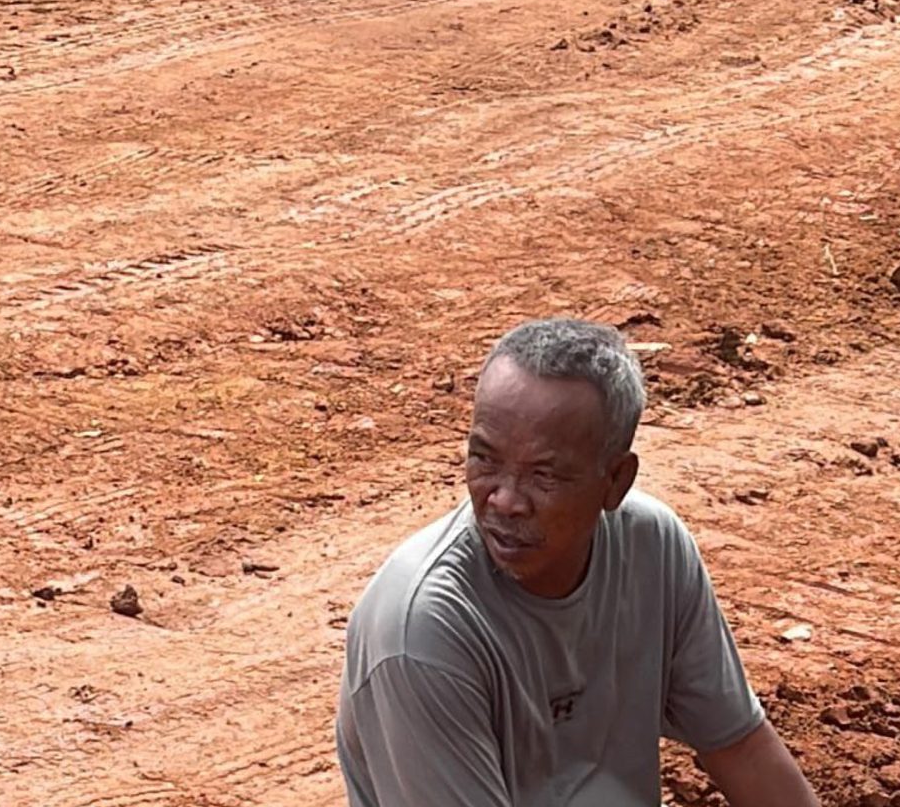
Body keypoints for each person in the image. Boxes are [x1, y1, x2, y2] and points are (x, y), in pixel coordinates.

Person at [338, 316, 823, 807]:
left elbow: (741, 748)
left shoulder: (651, 549)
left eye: (543, 475)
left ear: (615, 482)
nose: (504, 501)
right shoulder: (423, 628)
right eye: (485, 460)